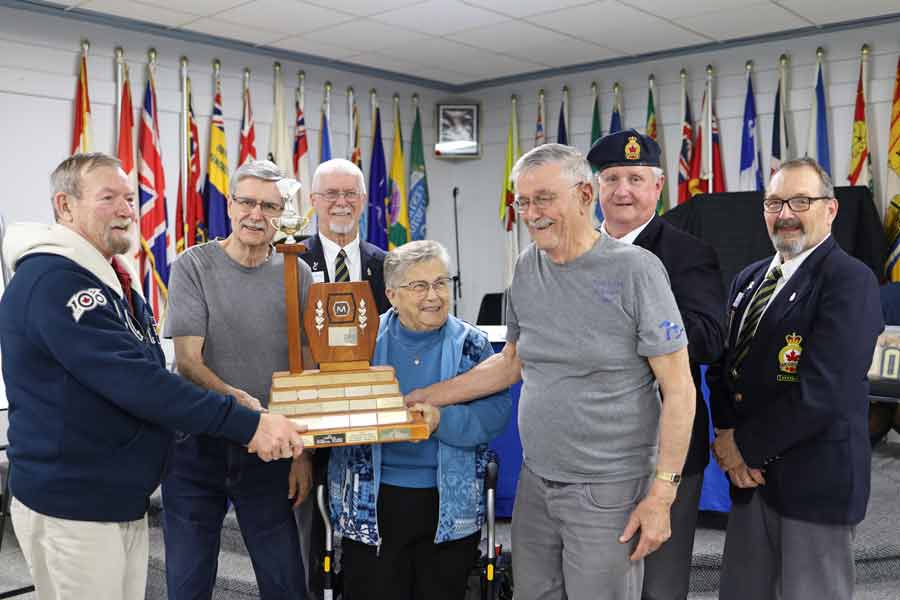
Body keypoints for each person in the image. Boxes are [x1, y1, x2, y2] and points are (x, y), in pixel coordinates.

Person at [0, 153, 305, 600]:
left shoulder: (109, 280)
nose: (127, 209)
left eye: (129, 197)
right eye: (108, 198)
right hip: (77, 503)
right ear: (65, 206)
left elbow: (144, 371)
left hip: (116, 498)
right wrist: (249, 422)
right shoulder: (56, 282)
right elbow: (142, 382)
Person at [406, 144, 695, 600]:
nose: (531, 214)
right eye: (523, 202)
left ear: (584, 195)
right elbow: (511, 362)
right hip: (536, 481)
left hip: (608, 490)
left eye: (543, 199)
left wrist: (662, 495)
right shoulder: (527, 266)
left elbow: (679, 389)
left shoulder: (636, 270)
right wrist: (425, 396)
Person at [708, 157, 883, 600]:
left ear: (831, 209)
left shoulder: (849, 280)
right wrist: (726, 433)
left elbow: (825, 390)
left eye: (801, 201)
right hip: (749, 483)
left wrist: (743, 448)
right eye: (775, 203)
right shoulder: (748, 279)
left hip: (813, 485)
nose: (785, 214)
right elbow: (724, 366)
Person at [161, 160, 313, 599]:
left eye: (269, 206)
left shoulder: (296, 272)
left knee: (286, 583)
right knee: (188, 584)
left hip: (269, 450)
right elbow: (188, 362)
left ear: (281, 214)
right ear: (230, 205)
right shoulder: (192, 265)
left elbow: (303, 367)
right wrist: (241, 408)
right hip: (198, 447)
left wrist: (301, 453)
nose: (256, 214)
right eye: (247, 202)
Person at [329, 239, 511, 600]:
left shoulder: (471, 343)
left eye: (440, 283)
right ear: (392, 295)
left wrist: (441, 420)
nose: (434, 296)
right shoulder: (359, 342)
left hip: (448, 507)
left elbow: (496, 413)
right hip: (372, 505)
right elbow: (337, 406)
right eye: (419, 286)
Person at [588, 129, 726, 600]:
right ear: (595, 187)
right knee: (593, 579)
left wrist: (634, 328)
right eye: (611, 179)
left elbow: (709, 338)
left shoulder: (688, 254)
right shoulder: (576, 252)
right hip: (590, 448)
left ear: (658, 186)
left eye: (635, 179)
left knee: (659, 585)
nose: (622, 191)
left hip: (663, 447)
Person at [296, 157, 390, 596]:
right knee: (310, 541)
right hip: (309, 420)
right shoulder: (289, 262)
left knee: (369, 545)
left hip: (371, 420)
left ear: (364, 200)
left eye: (350, 193)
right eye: (331, 194)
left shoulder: (387, 265)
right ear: (313, 201)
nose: (341, 202)